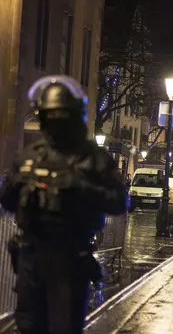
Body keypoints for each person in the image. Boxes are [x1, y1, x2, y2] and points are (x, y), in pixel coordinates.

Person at [0, 75, 127, 334]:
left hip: (70, 260)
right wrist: (17, 184)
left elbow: (120, 202)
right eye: (51, 115)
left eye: (62, 115)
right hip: (31, 260)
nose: (56, 121)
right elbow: (7, 202)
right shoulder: (31, 157)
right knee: (28, 326)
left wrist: (79, 185)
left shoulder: (92, 158)